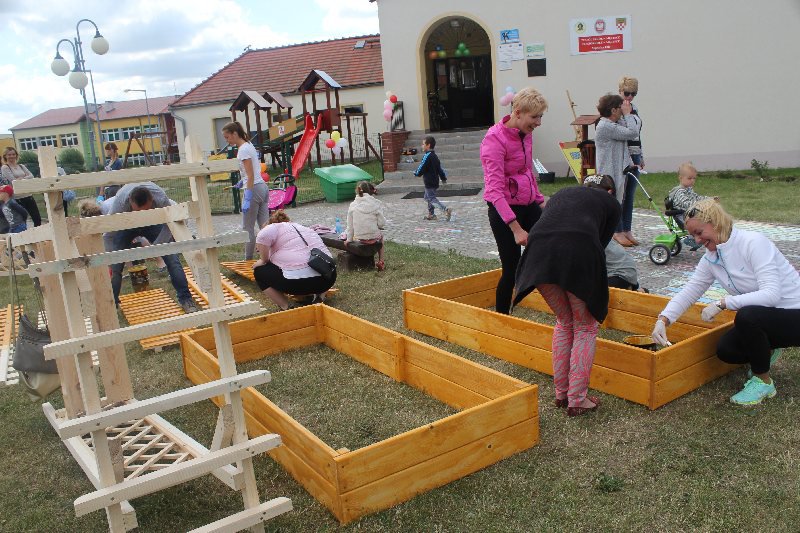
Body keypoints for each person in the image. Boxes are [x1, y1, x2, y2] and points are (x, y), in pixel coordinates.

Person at [651, 198, 800, 405]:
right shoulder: (711, 257)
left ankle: (763, 382)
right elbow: (689, 291)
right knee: (726, 349)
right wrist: (663, 319)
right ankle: (767, 348)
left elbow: (771, 294)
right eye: (693, 235)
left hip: (794, 314)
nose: (697, 240)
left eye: (699, 232)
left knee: (747, 316)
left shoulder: (753, 243)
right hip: (768, 317)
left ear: (716, 223)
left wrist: (723, 303)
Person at [514, 175, 621, 417]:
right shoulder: (611, 203)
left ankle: (562, 394)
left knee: (564, 322)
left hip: (539, 253)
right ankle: (578, 400)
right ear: (609, 191)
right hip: (578, 251)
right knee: (585, 327)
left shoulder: (563, 193)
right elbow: (600, 244)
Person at [480, 86, 547, 314]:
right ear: (518, 112)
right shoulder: (494, 140)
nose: (538, 123)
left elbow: (527, 170)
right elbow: (494, 192)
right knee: (511, 269)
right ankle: (502, 316)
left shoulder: (526, 133)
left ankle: (556, 303)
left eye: (541, 116)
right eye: (534, 117)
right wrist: (517, 229)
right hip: (504, 211)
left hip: (528, 204)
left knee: (551, 244)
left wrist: (541, 202)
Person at [108, 182, 199, 313]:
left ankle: (186, 299)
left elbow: (170, 225)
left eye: (146, 210)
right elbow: (108, 234)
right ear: (130, 201)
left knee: (172, 260)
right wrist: (110, 256)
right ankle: (112, 305)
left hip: (153, 223)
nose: (142, 214)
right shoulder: (120, 204)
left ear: (152, 200)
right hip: (126, 225)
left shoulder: (160, 197)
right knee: (115, 266)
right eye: (138, 211)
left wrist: (156, 247)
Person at [253, 210, 336, 311]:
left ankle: (285, 306)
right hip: (328, 279)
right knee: (325, 266)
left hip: (296, 285)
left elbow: (265, 249)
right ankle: (320, 296)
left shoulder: (271, 228)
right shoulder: (303, 228)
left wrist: (262, 260)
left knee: (259, 272)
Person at [594, 93, 640, 247]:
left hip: (618, 168)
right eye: (620, 108)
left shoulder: (613, 123)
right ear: (613, 110)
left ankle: (622, 231)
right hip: (609, 171)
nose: (623, 111)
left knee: (620, 200)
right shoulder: (605, 126)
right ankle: (616, 232)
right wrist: (628, 114)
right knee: (613, 202)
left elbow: (631, 130)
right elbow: (632, 132)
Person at [222, 121, 268, 260]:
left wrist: (247, 196)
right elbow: (252, 171)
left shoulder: (242, 150)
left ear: (235, 134)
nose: (227, 140)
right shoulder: (249, 145)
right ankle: (270, 256)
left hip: (254, 189)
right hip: (262, 187)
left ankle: (248, 259)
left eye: (227, 137)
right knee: (266, 227)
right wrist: (242, 181)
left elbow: (251, 175)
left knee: (247, 228)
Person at [324, 180, 387, 270]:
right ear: (370, 191)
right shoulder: (376, 204)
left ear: (358, 190)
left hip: (360, 238)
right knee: (381, 237)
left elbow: (350, 226)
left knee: (357, 235)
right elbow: (382, 223)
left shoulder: (353, 205)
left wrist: (349, 240)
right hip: (373, 238)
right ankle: (381, 261)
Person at [616, 76, 645, 246]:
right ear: (620, 91)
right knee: (620, 194)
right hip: (622, 155)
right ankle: (618, 230)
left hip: (635, 153)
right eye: (627, 93)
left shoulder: (634, 108)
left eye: (633, 94)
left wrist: (641, 155)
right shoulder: (616, 108)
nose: (630, 97)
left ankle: (627, 229)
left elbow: (637, 134)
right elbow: (625, 133)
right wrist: (626, 114)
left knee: (630, 195)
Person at [414, 136, 451, 221]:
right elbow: (440, 169)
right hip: (434, 181)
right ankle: (431, 214)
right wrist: (443, 178)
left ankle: (445, 210)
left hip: (429, 181)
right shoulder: (435, 156)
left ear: (428, 145)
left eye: (423, 144)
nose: (422, 146)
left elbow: (422, 166)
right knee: (427, 197)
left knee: (431, 198)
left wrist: (417, 173)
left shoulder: (427, 156)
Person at [1, 147, 41, 227]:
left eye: (13, 154)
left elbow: (31, 176)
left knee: (37, 218)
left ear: (16, 155)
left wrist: (21, 178)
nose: (12, 156)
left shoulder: (21, 166)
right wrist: (24, 178)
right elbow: (13, 180)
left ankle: (38, 234)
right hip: (17, 197)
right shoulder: (5, 167)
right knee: (22, 220)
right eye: (9, 155)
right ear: (5, 156)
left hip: (28, 195)